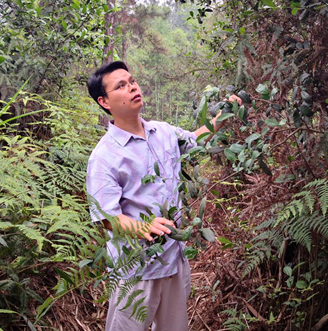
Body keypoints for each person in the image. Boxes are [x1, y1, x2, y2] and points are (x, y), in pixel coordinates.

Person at [86, 61, 241, 331]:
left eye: (132, 81)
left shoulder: (163, 132)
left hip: (173, 260)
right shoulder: (104, 157)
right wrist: (142, 226)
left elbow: (195, 141)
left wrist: (224, 116)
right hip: (135, 271)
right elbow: (107, 218)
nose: (132, 87)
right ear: (104, 101)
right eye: (121, 86)